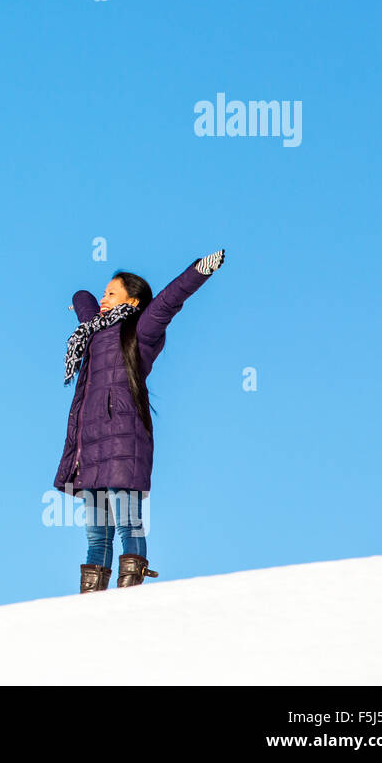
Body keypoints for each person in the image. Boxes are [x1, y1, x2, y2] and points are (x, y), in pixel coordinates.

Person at [55, 250, 226, 592]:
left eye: (112, 294)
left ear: (132, 302)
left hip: (122, 442)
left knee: (127, 524)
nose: (103, 299)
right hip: (88, 448)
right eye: (104, 293)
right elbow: (82, 297)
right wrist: (87, 301)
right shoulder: (92, 332)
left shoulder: (140, 330)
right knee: (95, 535)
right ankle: (91, 603)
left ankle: (131, 597)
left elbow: (168, 300)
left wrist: (197, 270)